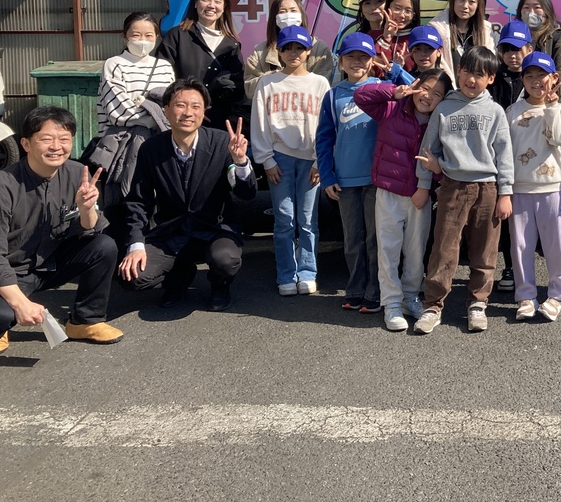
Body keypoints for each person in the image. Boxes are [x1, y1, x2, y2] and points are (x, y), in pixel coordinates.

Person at [0, 106, 122, 355]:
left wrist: (86, 209)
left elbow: (90, 231)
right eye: (46, 139)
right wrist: (21, 304)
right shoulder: (1, 188)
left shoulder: (77, 173)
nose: (56, 146)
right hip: (8, 269)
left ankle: (85, 321)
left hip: (49, 262)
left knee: (104, 246)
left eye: (64, 139)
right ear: (27, 144)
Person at [119, 79, 255, 311]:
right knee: (133, 277)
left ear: (204, 112)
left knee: (226, 260)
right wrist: (136, 244)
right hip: (170, 231)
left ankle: (219, 285)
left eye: (196, 106)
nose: (188, 113)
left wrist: (240, 161)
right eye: (180, 105)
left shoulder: (222, 142)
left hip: (214, 229)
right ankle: (178, 278)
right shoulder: (151, 148)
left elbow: (246, 193)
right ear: (166, 110)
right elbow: (138, 201)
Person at [410, 46, 514, 335]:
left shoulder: (494, 111)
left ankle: (478, 304)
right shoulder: (444, 108)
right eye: (467, 72)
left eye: (479, 75)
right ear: (458, 72)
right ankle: (433, 305)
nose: (471, 79)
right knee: (443, 249)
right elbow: (427, 151)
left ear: (490, 79)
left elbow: (504, 154)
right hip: (451, 187)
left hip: (488, 189)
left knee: (485, 251)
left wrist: (505, 193)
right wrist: (422, 185)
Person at [355, 69, 452, 332]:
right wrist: (392, 90)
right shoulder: (393, 108)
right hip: (388, 191)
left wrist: (435, 174)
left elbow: (450, 159)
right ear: (416, 85)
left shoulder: (441, 122)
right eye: (426, 88)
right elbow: (361, 96)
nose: (428, 97)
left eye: (437, 94)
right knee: (388, 249)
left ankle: (411, 296)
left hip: (420, 196)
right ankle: (392, 303)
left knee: (416, 250)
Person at [251, 25, 331, 296]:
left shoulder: (320, 83)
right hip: (280, 158)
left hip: (310, 160)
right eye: (287, 48)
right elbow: (259, 123)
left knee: (308, 220)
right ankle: (286, 273)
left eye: (300, 48)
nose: (294, 53)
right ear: (279, 51)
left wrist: (321, 161)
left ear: (309, 51)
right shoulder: (267, 82)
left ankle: (307, 272)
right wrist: (266, 160)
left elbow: (326, 126)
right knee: (284, 218)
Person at [94, 12, 176, 243]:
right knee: (124, 199)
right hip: (121, 145)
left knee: (154, 197)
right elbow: (118, 112)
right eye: (136, 34)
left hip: (158, 144)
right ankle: (121, 252)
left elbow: (171, 106)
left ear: (157, 38)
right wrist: (155, 117)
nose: (142, 40)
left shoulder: (164, 67)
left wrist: (154, 113)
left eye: (149, 35)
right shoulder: (114, 64)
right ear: (124, 37)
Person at [506, 51, 561, 322]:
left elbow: (558, 137)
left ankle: (558, 295)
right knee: (520, 246)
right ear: (522, 79)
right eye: (529, 76)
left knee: (557, 245)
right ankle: (525, 295)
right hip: (520, 188)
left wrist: (552, 107)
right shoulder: (512, 111)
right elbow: (505, 151)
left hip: (553, 188)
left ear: (554, 78)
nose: (536, 82)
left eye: (542, 76)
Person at [315, 33, 381, 312]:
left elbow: (414, 91)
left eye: (364, 57)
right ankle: (354, 288)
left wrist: (394, 70)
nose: (357, 62)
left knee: (376, 240)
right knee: (352, 239)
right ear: (340, 61)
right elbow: (324, 139)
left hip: (376, 179)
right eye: (351, 56)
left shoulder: (382, 88)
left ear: (373, 61)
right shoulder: (332, 95)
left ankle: (376, 291)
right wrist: (327, 177)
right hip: (345, 181)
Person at [157, 0, 246, 130]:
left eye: (218, 1)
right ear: (196, 3)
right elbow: (161, 78)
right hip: (184, 119)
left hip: (219, 124)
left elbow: (238, 87)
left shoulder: (232, 44)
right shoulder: (177, 36)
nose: (211, 5)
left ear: (224, 8)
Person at [491, 18, 534, 291]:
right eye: (507, 49)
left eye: (518, 49)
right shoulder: (492, 78)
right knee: (504, 216)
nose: (513, 55)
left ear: (529, 49)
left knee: (527, 218)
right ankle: (508, 266)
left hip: (528, 157)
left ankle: (524, 268)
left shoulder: (536, 79)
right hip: (498, 156)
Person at [244, 0, 335, 99]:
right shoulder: (260, 51)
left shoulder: (319, 48)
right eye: (282, 12)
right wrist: (271, 77)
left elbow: (322, 87)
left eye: (293, 10)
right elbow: (249, 88)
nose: (288, 15)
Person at [428, 0, 497, 86]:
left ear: (478, 5)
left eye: (471, 1)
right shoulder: (436, 29)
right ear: (453, 0)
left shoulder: (487, 32)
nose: (465, 6)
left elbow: (489, 66)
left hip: (477, 93)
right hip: (447, 93)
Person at [516, 0, 561, 103]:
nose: (531, 13)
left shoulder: (559, 39)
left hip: (550, 104)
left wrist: (546, 96)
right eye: (526, 7)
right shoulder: (515, 39)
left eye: (537, 7)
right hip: (518, 106)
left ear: (547, 11)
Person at [370, 0, 421, 75]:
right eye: (397, 8)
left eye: (408, 11)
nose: (402, 15)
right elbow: (369, 67)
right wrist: (386, 38)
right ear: (388, 7)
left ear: (414, 14)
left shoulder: (419, 38)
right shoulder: (373, 35)